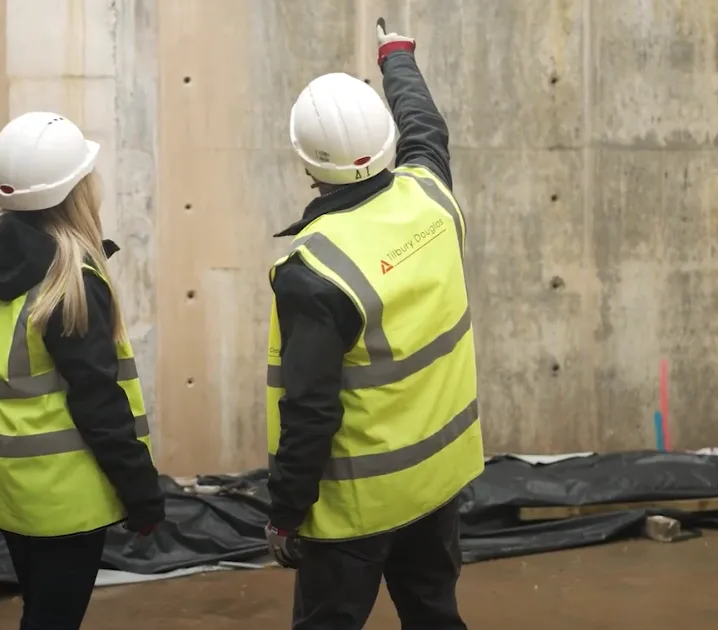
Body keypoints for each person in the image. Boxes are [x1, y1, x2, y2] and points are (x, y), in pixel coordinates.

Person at [262, 18, 483, 630]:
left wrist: (285, 514)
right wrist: (396, 58)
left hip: (355, 510)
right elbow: (425, 125)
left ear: (307, 163)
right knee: (435, 615)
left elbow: (309, 410)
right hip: (435, 485)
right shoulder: (431, 196)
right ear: (387, 141)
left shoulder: (314, 269)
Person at [0, 111, 164, 630]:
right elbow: (100, 404)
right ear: (76, 191)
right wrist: (142, 495)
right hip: (64, 501)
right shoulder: (70, 282)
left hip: (8, 492)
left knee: (41, 613)